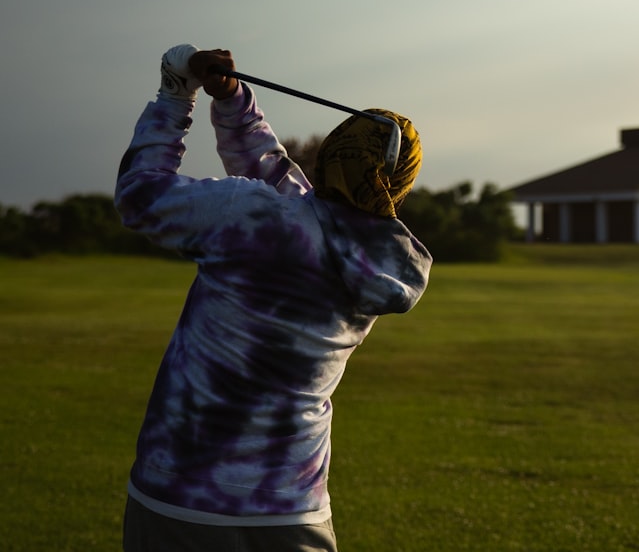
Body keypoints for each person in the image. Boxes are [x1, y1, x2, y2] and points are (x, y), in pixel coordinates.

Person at [116, 44, 432, 551]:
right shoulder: (379, 262)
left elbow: (141, 196)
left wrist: (175, 95)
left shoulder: (253, 215)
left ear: (332, 152)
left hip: (180, 496)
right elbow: (288, 189)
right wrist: (233, 100)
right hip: (293, 510)